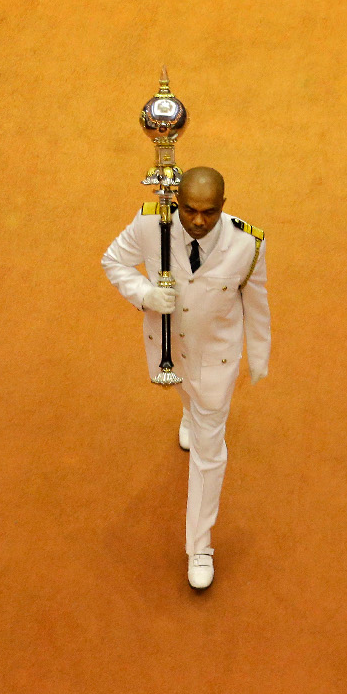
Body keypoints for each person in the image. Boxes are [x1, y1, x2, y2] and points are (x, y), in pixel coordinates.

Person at [101, 166, 270, 589]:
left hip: (217, 362)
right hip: (169, 351)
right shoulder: (149, 223)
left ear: (224, 207)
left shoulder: (248, 243)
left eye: (209, 212)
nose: (197, 221)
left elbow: (257, 301)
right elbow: (113, 261)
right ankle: (188, 415)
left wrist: (258, 359)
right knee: (184, 397)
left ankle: (200, 547)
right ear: (176, 203)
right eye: (189, 210)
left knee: (210, 455)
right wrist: (144, 294)